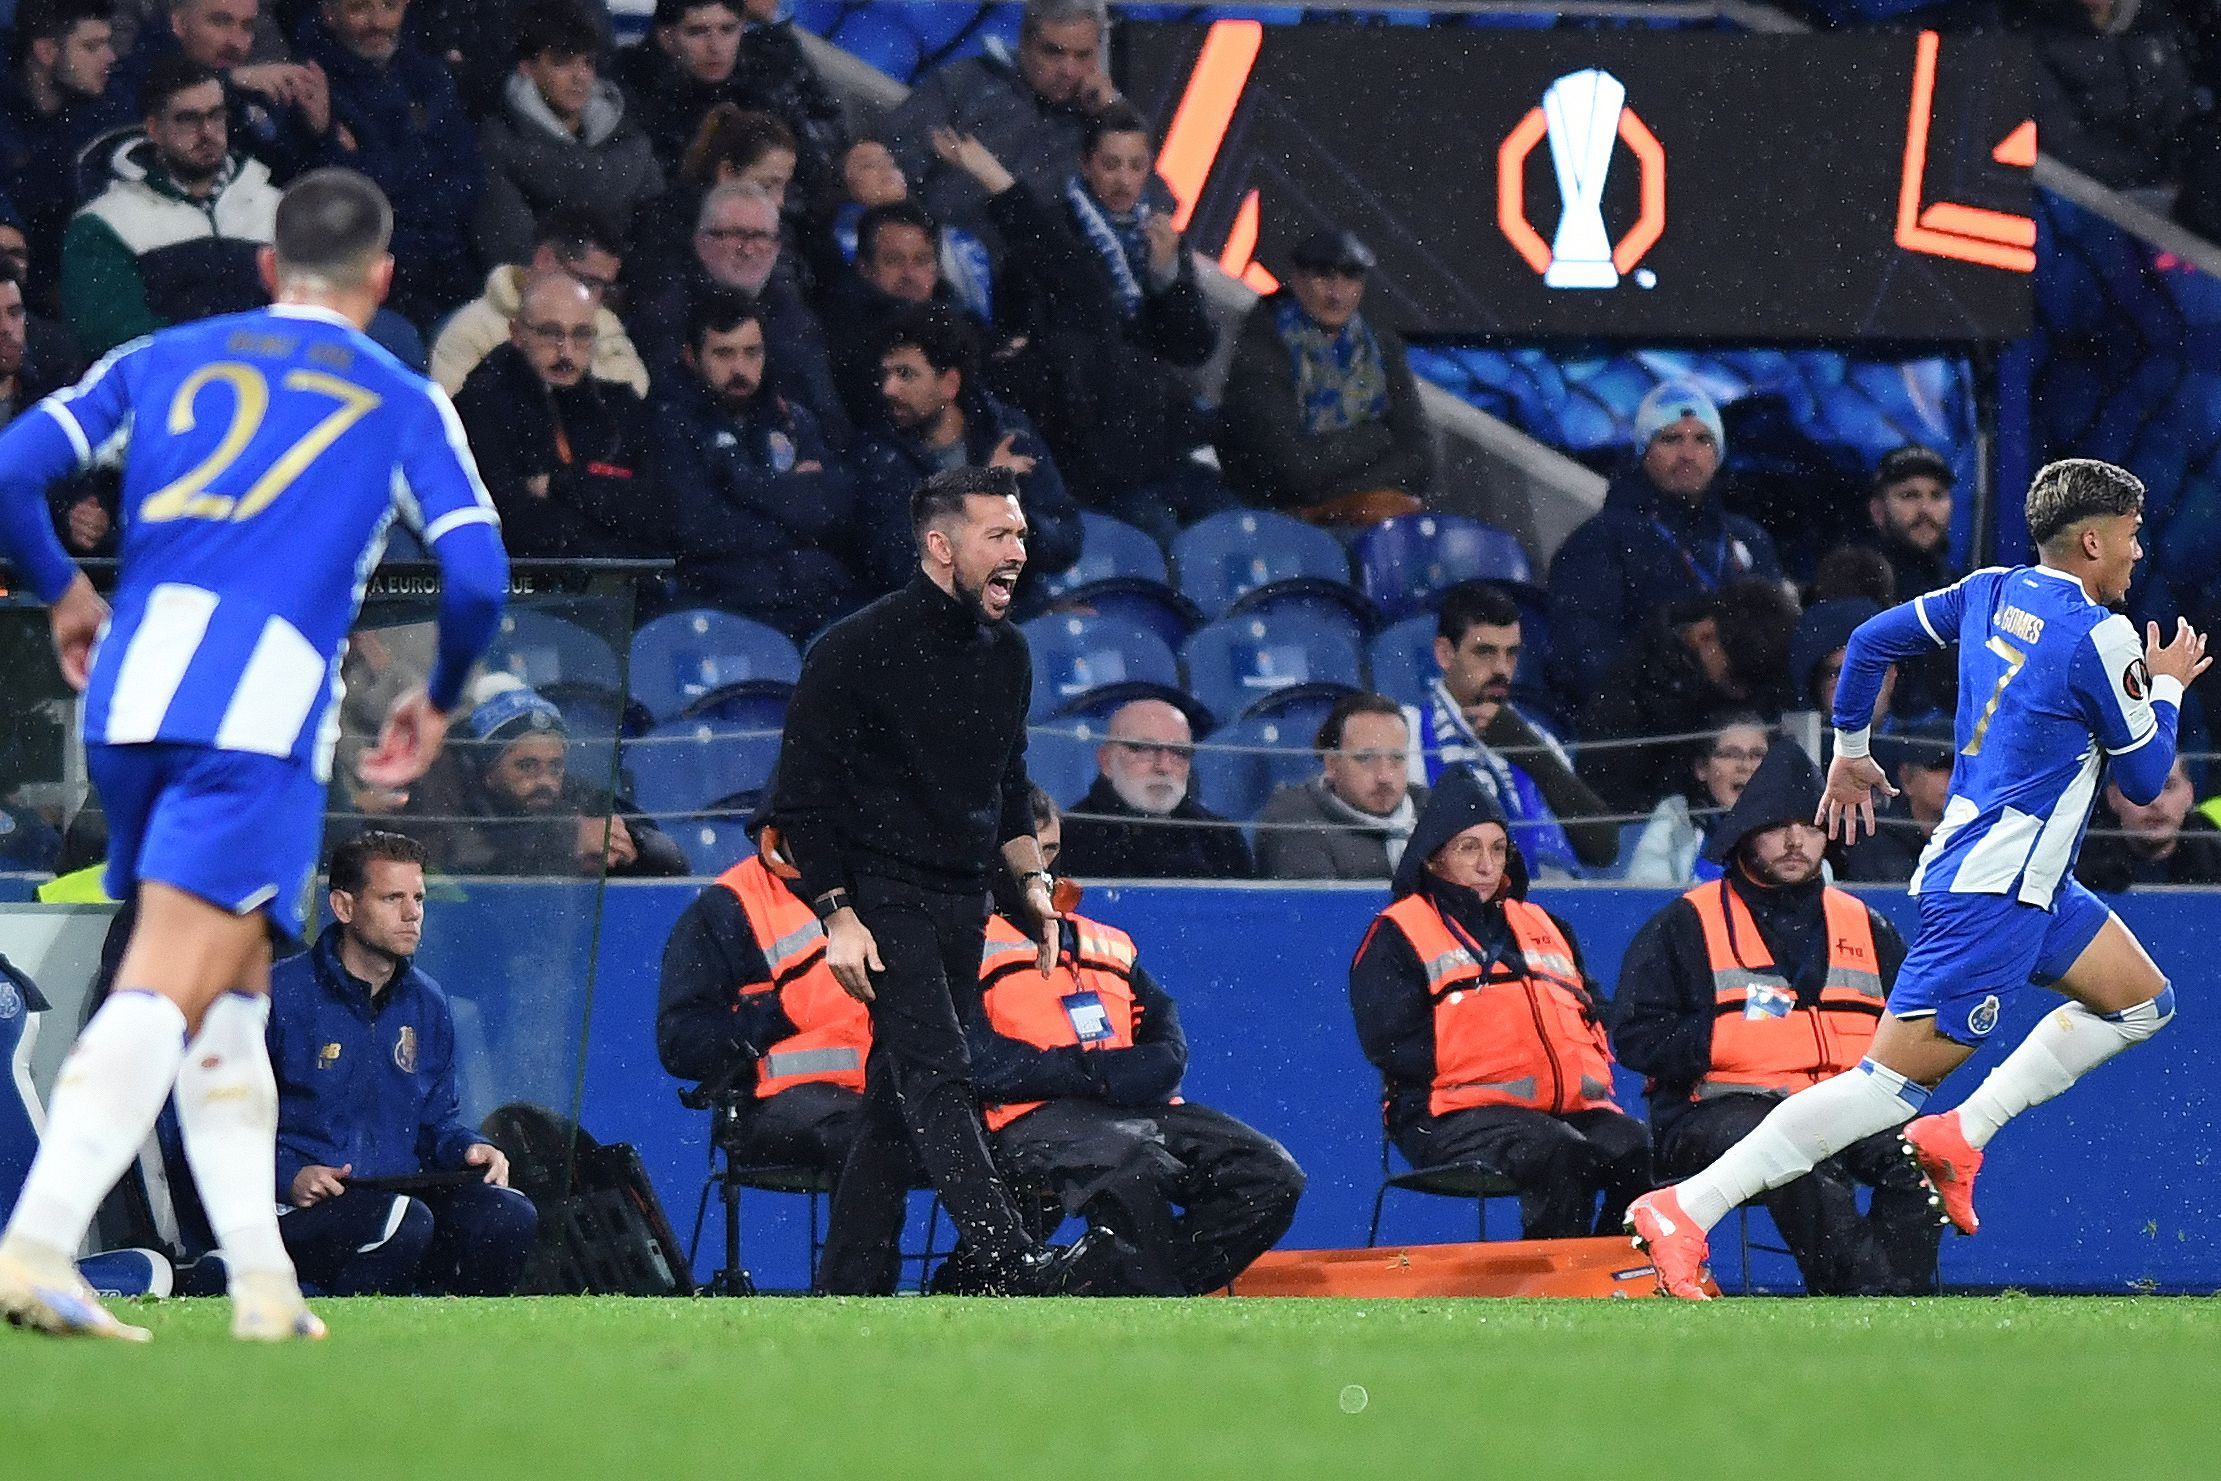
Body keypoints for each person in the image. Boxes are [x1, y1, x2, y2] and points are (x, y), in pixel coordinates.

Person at [0, 166, 509, 1340]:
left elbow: (19, 467)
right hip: (254, 710)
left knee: (228, 998)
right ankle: (35, 1243)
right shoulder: (396, 393)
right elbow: (476, 574)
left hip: (129, 694)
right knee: (168, 980)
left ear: (270, 268)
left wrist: (68, 593)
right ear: (381, 282)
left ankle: (264, 1283)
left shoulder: (164, 357)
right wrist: (436, 694)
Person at [1628, 459, 2208, 1300]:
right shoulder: (2103, 635)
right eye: (2130, 531)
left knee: (2141, 1003)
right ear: (2092, 539)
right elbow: (2148, 779)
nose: (2138, 548)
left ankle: (1961, 1135)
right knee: (1880, 1090)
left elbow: (1869, 642)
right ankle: (1685, 1206)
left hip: (2024, 881)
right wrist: (2166, 688)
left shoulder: (1988, 589)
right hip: (1995, 892)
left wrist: (1850, 750)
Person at [765, 463, 1122, 1296]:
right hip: (880, 891)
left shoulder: (1010, 654)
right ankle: (1010, 1258)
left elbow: (1006, 787)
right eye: (998, 534)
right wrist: (838, 915)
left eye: (1022, 535)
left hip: (962, 896)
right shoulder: (853, 648)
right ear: (939, 544)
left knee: (898, 1095)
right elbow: (801, 801)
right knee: (938, 1067)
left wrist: (1030, 889)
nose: (1019, 551)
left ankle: (846, 1288)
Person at [1611, 745, 1938, 1295]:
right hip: (1711, 1113)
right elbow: (1634, 1037)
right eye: (1776, 827)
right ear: (1744, 834)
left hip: (1844, 1104)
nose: (1794, 842)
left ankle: (1892, 1293)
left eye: (1810, 827)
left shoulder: (1867, 924)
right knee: (1793, 1148)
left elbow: (1913, 1029)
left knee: (1925, 1159)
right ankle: (1868, 1297)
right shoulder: (1685, 923)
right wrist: (1725, 1037)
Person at [965, 786, 1303, 1295]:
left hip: (1129, 1107)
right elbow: (979, 1061)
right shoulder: (965, 944)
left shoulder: (1108, 941)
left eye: (1052, 851)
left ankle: (1120, 1289)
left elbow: (1168, 1044)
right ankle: (1147, 1298)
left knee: (1270, 1173)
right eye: (1031, 853)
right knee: (1135, 1162)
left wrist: (1118, 1079)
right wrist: (1096, 1074)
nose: (1043, 868)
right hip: (1029, 1118)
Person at [1348, 769, 1652, 1240]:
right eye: (1469, 848)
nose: (1487, 864)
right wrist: (1497, 1052)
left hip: (1562, 1109)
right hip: (1445, 1115)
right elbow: (1389, 1043)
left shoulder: (1545, 924)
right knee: (1558, 1150)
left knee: (1634, 1145)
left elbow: (1595, 1008)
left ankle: (1612, 1266)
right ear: (1433, 859)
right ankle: (1554, 1285)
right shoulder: (1399, 931)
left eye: (1496, 848)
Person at [929, 117, 1226, 541]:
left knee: (1223, 518)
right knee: (1161, 537)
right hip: (1086, 436)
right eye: (1111, 164)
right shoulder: (1049, 232)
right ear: (1086, 164)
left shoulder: (1156, 239)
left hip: (1153, 432)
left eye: (1136, 166)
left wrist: (1167, 279)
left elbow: (1192, 347)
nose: (1124, 180)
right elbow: (1050, 323)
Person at [268, 832, 537, 1296]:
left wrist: (469, 1148)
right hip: (293, 1209)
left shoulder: (428, 1002)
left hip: (401, 1199)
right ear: (344, 906)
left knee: (505, 1214)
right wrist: (287, 1175)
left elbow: (436, 1122)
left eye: (418, 898)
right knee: (402, 1222)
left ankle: (464, 1359)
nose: (413, 913)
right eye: (393, 898)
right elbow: (217, 1120)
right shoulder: (278, 995)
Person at [1547, 382, 1782, 704]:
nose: (1688, 454)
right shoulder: (1599, 542)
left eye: (1702, 439)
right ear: (1645, 450)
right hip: (1650, 733)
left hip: (1744, 733)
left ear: (1718, 454)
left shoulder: (1751, 541)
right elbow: (1588, 660)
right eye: (1671, 439)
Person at [656, 832, 873, 1181]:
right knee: (870, 1139)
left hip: (886, 1093)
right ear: (780, 824)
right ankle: (866, 1240)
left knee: (981, 1133)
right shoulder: (726, 906)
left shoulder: (887, 892)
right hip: (766, 1103)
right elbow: (680, 1044)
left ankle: (986, 1238)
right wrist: (775, 1014)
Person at [650, 288, 861, 639]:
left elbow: (833, 509)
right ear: (691, 356)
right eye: (723, 353)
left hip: (816, 597)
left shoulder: (794, 419)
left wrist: (746, 484)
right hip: (727, 603)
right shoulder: (669, 425)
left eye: (752, 353)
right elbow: (699, 530)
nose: (739, 368)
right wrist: (791, 505)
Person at [60, 54, 283, 356]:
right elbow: (113, 336)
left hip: (273, 379)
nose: (207, 132)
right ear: (153, 129)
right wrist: (218, 357)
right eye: (188, 119)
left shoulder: (278, 208)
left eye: (216, 115)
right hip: (171, 392)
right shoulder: (104, 223)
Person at [852, 305, 1078, 594]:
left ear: (949, 383)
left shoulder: (1006, 433)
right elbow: (901, 570)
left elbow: (1065, 539)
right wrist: (982, 499)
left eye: (905, 374)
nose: (889, 389)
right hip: (933, 629)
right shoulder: (879, 456)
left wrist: (1016, 522)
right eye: (886, 375)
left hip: (1017, 608)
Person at [881, 0, 1147, 242]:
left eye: (1083, 56)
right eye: (1054, 52)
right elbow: (889, 163)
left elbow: (1152, 209)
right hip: (945, 262)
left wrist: (1114, 113)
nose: (1069, 70)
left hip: (1048, 280)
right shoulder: (963, 84)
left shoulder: (1104, 122)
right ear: (1024, 43)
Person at [1216, 226, 1434, 520]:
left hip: (1359, 511)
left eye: (1350, 278)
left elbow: (1421, 459)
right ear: (1297, 279)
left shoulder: (1382, 349)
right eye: (1323, 276)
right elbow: (1293, 471)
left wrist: (1337, 500)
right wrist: (1377, 437)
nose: (1337, 295)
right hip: (1274, 516)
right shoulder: (1265, 341)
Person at [1404, 581, 1618, 877]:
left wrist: (1528, 751)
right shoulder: (1408, 732)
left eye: (1511, 654)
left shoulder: (1536, 737)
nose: (1502, 669)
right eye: (1485, 652)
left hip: (1541, 910)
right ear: (1444, 654)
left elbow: (1603, 848)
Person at [295, 0, 481, 324]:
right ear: (328, 13)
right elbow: (345, 196)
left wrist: (371, 165)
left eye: (389, 6)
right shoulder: (313, 84)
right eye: (359, 9)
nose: (377, 22)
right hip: (364, 279)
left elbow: (469, 176)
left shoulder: (430, 76)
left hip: (449, 263)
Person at [451, 270, 658, 560]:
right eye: (550, 333)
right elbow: (510, 521)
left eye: (581, 335)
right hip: (527, 588)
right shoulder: (481, 406)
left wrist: (561, 485)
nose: (566, 352)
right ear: (517, 334)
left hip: (626, 586)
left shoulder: (620, 405)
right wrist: (603, 510)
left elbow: (657, 512)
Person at [625, 181, 849, 448]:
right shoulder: (666, 314)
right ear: (702, 243)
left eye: (762, 237)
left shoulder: (795, 319)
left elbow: (828, 418)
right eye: (736, 235)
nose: (749, 249)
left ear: (778, 247)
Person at [401, 675, 686, 879]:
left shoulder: (580, 797)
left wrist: (631, 847)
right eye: (527, 766)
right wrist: (571, 842)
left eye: (555, 767)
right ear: (489, 772)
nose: (545, 781)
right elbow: (466, 858)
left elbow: (672, 861)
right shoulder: (446, 804)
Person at [1577, 579, 1800, 814]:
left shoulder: (1763, 675)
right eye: (1733, 677)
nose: (1742, 693)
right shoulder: (1630, 693)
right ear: (1704, 635)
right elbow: (1610, 797)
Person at [472, 0, 662, 271]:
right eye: (562, 63)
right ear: (527, 68)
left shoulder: (631, 142)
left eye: (587, 63)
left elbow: (656, 241)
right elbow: (513, 254)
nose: (579, 77)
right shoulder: (497, 145)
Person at [431, 204, 647, 398]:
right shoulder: (469, 330)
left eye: (581, 334)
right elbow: (452, 420)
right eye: (588, 282)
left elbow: (635, 389)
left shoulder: (603, 320)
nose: (595, 298)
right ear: (545, 259)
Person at [111, 0, 335, 185]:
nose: (236, 42)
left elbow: (293, 192)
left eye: (247, 26)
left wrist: (317, 133)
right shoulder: (128, 82)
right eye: (220, 22)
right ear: (177, 23)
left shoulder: (252, 94)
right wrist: (227, 81)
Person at [0, 0, 129, 300]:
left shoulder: (110, 111)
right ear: (46, 52)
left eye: (108, 43)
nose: (109, 57)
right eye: (91, 46)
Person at [1056, 697, 1253, 881]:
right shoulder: (1067, 839)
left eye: (1179, 752)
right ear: (1106, 760)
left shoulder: (1220, 839)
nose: (1164, 766)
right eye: (1144, 749)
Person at [1255, 692, 1427, 881]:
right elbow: (1324, 908)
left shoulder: (1434, 809)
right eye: (1366, 759)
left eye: (1397, 758)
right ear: (1332, 765)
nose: (1384, 777)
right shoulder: (1293, 821)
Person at [1623, 713, 1769, 887]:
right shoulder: (1677, 818)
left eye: (1757, 755)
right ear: (1701, 768)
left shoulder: (1791, 821)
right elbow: (1646, 895)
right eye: (1730, 754)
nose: (1745, 766)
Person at [1835, 720, 1956, 885]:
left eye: (1959, 768)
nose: (1953, 777)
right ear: (1906, 778)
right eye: (1937, 767)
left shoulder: (1976, 833)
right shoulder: (1876, 841)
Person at [2077, 757, 2221, 892]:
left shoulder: (2215, 863)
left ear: (2190, 795)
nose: (2155, 802)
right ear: (2112, 797)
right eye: (2139, 787)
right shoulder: (2075, 873)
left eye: (2168, 786)